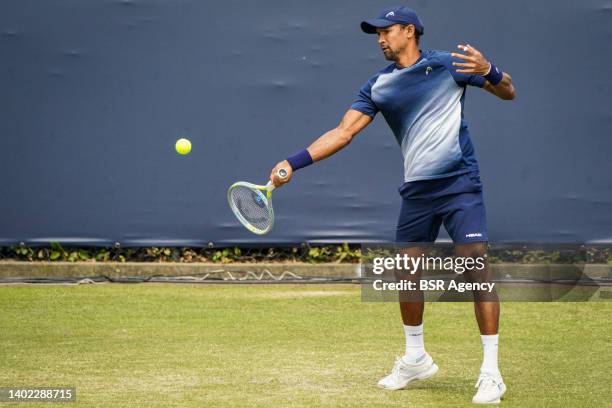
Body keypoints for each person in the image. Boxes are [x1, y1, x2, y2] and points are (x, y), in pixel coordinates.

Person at [268, 5, 515, 405]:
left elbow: (508, 91)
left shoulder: (449, 64)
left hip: (459, 185)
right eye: (377, 33)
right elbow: (344, 131)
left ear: (409, 31)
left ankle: (491, 372)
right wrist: (293, 162)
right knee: (405, 273)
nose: (380, 39)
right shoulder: (378, 85)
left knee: (474, 266)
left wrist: (490, 71)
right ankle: (416, 358)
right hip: (418, 192)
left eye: (386, 31)